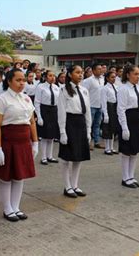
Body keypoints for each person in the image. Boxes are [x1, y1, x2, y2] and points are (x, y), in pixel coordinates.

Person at [0, 68, 38, 222]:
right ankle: (7, 208)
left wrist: (35, 142)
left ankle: (16, 206)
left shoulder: (27, 99)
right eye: (18, 80)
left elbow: (31, 121)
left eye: (23, 80)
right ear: (9, 81)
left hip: (23, 141)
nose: (22, 83)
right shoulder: (2, 99)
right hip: (8, 140)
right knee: (6, 177)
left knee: (20, 176)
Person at [58, 65, 91, 198]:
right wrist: (62, 131)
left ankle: (75, 185)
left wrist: (88, 129)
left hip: (81, 123)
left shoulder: (84, 90)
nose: (80, 75)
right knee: (67, 157)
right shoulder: (64, 90)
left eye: (81, 72)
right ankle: (67, 186)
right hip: (69, 123)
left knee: (78, 157)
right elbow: (61, 111)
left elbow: (87, 111)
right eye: (77, 72)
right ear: (70, 74)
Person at [117, 65, 139, 188]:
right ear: (128, 74)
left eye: (138, 74)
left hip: (138, 119)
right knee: (127, 150)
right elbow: (121, 109)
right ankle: (125, 178)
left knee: (135, 150)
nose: (138, 76)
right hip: (129, 119)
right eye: (135, 74)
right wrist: (124, 127)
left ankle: (131, 176)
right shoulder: (123, 89)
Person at [34, 70, 60, 165]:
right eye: (50, 75)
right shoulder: (40, 87)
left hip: (54, 111)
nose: (52, 77)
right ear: (45, 77)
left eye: (53, 75)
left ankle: (50, 156)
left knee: (52, 136)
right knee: (45, 136)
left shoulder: (56, 87)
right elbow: (37, 102)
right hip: (45, 110)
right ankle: (43, 157)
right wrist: (39, 116)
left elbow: (59, 102)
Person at [82, 63, 104, 149]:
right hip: (91, 105)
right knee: (89, 124)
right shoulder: (88, 80)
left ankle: (97, 141)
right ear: (94, 70)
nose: (100, 70)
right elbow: (84, 93)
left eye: (101, 69)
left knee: (97, 124)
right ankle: (87, 142)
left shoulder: (102, 79)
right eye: (98, 69)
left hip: (99, 105)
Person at [101, 71, 119, 155]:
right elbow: (103, 101)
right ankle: (107, 148)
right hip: (109, 107)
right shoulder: (105, 88)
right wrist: (105, 114)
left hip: (115, 107)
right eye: (112, 77)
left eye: (114, 77)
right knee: (107, 129)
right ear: (107, 78)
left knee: (113, 128)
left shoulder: (116, 87)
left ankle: (112, 147)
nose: (114, 79)